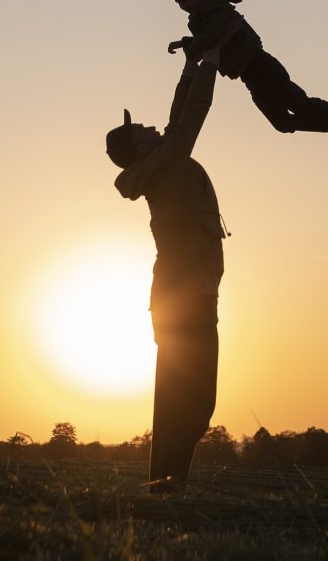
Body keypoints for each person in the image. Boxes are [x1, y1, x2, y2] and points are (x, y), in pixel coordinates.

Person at [108, 53, 225, 492]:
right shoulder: (168, 160)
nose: (152, 127)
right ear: (140, 147)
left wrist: (190, 68)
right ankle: (169, 479)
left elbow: (177, 117)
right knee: (194, 398)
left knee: (181, 395)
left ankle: (167, 480)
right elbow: (191, 116)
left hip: (185, 292)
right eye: (143, 130)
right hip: (186, 293)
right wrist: (209, 63)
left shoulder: (162, 160)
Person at [163, 0, 328, 152]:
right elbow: (210, 37)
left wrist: (191, 46)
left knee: (301, 104)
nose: (182, 6)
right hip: (250, 75)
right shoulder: (204, 15)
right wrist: (188, 42)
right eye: (178, 2)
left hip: (260, 65)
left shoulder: (215, 6)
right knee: (282, 122)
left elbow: (213, 35)